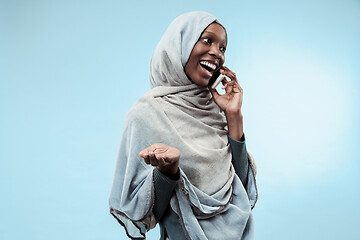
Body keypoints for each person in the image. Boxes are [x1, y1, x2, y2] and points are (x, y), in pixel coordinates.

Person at [109, 11, 258, 240]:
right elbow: (147, 215)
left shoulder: (216, 112)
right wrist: (168, 171)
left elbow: (242, 193)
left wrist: (234, 115)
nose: (216, 53)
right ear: (179, 44)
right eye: (207, 40)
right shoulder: (146, 114)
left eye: (223, 48)